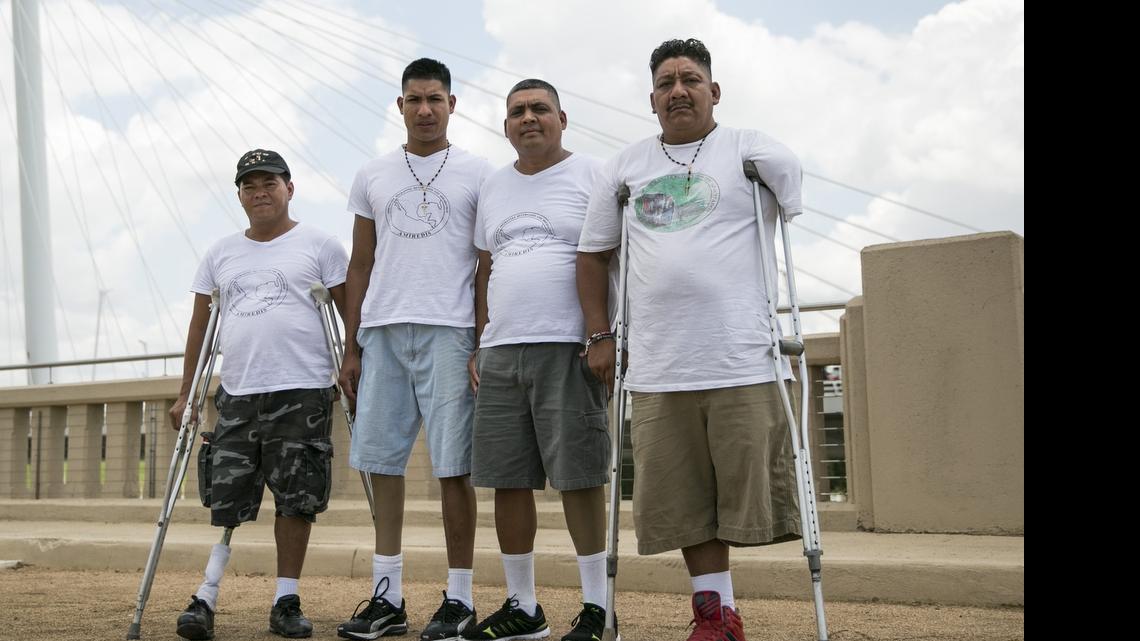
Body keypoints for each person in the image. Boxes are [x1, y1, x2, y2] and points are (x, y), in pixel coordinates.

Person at [576, 38, 804, 641]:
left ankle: (723, 608)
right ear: (652, 99)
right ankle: (716, 614)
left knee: (746, 498)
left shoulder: (749, 148)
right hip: (657, 363)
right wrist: (600, 334)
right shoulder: (623, 167)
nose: (679, 89)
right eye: (666, 82)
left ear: (714, 90)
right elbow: (594, 255)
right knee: (683, 501)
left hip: (741, 357)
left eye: (691, 79)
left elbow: (793, 191)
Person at [336, 58, 494, 641]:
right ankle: (388, 597)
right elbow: (359, 263)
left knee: (455, 468)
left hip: (450, 331)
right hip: (381, 333)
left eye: (435, 98)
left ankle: (459, 598)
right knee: (382, 464)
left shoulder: (480, 173)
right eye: (413, 99)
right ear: (399, 106)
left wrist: (481, 337)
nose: (424, 109)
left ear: (453, 104)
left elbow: (485, 264)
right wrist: (352, 346)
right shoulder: (372, 174)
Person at [172, 149, 348, 640]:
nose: (260, 192)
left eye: (270, 182)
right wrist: (187, 392)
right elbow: (200, 325)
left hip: (302, 390)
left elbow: (349, 314)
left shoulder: (320, 245)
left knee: (297, 499)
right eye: (250, 186)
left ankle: (285, 601)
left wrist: (354, 364)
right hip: (238, 392)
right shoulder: (220, 253)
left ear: (289, 189)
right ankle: (205, 597)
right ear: (240, 196)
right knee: (227, 496)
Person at [461, 79, 615, 641]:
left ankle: (600, 608)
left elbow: (609, 257)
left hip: (568, 347)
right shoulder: (494, 188)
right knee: (508, 480)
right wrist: (481, 340)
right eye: (518, 112)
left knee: (579, 477)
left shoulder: (593, 175)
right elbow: (485, 268)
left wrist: (602, 334)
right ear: (506, 125)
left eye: (539, 109)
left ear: (562, 119)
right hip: (502, 351)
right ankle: (523, 607)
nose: (529, 118)